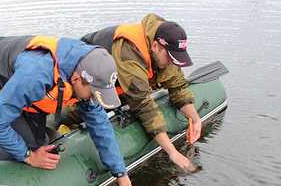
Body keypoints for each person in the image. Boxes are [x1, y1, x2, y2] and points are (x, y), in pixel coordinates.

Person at [0, 35, 138, 186]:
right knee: (31, 145)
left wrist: (122, 176)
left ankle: (3, 144)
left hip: (12, 84)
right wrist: (28, 157)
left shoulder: (86, 70)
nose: (92, 99)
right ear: (76, 79)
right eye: (92, 93)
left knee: (41, 140)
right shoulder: (37, 75)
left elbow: (100, 125)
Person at [81, 13, 201, 172]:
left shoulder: (165, 47)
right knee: (76, 111)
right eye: (170, 57)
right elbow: (144, 106)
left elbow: (177, 86)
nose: (172, 62)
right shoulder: (129, 51)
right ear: (156, 46)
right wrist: (172, 152)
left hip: (118, 82)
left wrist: (195, 118)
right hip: (86, 75)